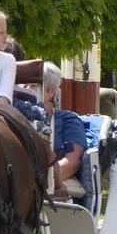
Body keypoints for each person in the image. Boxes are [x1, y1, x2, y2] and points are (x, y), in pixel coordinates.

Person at [41, 61, 86, 197]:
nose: (25, 90)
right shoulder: (14, 117)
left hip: (52, 189)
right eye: (23, 86)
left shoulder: (68, 120)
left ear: (52, 91)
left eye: (33, 86)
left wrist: (43, 177)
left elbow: (73, 161)